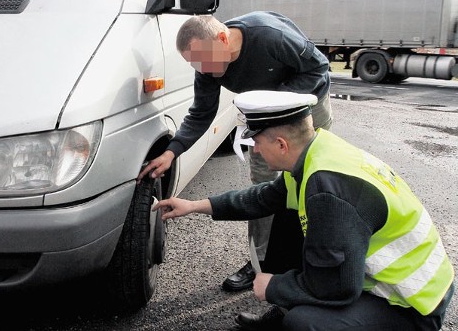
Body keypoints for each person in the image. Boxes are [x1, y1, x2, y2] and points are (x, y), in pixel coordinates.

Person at [153, 90, 455, 331]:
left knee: (305, 323)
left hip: (411, 303)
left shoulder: (328, 190)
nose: (254, 151)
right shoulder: (315, 153)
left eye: (256, 143)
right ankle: (287, 309)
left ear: (282, 144)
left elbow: (339, 287)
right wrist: (194, 206)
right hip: (384, 278)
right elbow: (262, 198)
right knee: (284, 216)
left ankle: (292, 314)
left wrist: (275, 287)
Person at [137, 11, 333, 292]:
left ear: (222, 37)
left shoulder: (271, 37)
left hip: (308, 106)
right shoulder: (207, 64)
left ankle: (313, 258)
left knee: (314, 179)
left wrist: (276, 102)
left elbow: (319, 68)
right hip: (265, 120)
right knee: (264, 187)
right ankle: (260, 263)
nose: (202, 69)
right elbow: (202, 113)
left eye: (203, 60)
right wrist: (172, 152)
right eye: (194, 64)